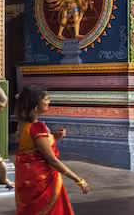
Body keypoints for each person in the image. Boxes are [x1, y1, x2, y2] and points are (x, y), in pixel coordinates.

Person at [13, 86, 87, 215]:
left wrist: (53, 137)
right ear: (36, 105)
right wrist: (78, 179)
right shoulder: (37, 128)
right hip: (43, 183)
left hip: (27, 180)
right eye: (46, 99)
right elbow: (52, 159)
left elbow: (32, 147)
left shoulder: (22, 125)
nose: (49, 102)